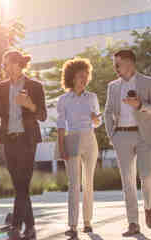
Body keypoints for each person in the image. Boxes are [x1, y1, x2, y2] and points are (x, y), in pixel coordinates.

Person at [0, 50, 47, 240]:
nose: (4, 67)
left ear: (18, 64)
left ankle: (18, 225)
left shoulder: (35, 86)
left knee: (22, 183)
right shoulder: (1, 88)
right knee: (20, 186)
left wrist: (30, 105)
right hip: (8, 140)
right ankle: (27, 227)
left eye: (7, 63)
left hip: (27, 140)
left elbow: (42, 115)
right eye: (4, 64)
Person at [103, 50, 151, 236]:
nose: (115, 68)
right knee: (127, 181)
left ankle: (148, 207)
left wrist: (140, 105)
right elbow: (107, 112)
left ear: (129, 63)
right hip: (121, 136)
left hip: (143, 135)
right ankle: (133, 223)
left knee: (147, 176)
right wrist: (112, 135)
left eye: (117, 64)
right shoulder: (113, 86)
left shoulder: (148, 82)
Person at [55, 58, 101, 239]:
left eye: (86, 76)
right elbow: (60, 125)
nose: (84, 79)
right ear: (72, 77)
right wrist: (61, 148)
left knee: (88, 182)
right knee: (74, 184)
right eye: (80, 76)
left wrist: (96, 119)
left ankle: (87, 222)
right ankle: (72, 225)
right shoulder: (63, 99)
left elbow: (98, 122)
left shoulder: (92, 97)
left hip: (90, 139)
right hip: (72, 139)